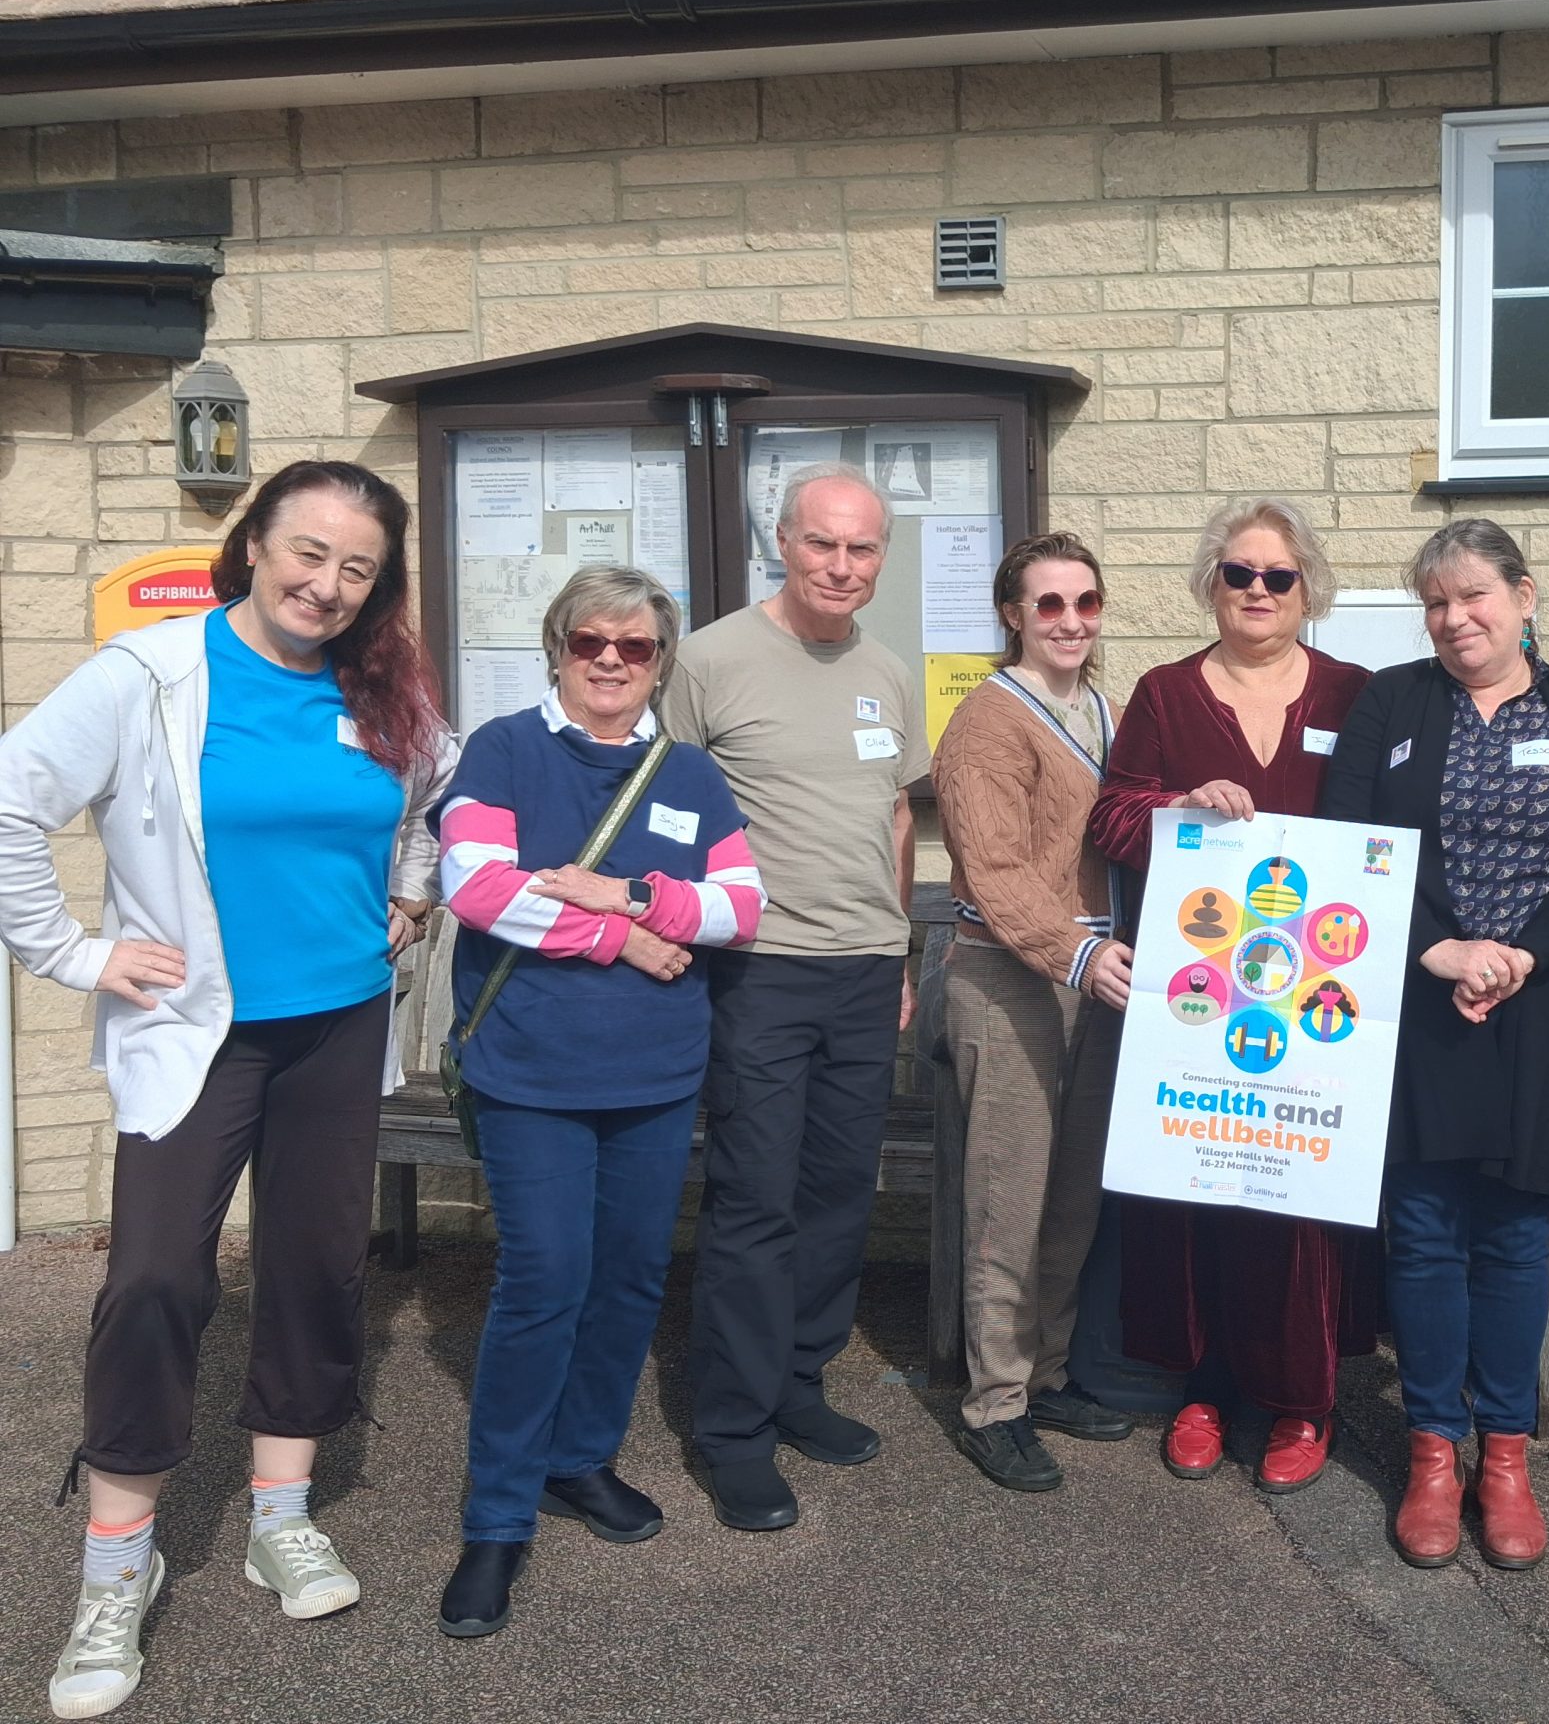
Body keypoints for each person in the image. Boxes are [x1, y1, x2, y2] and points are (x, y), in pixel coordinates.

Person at [0, 461, 451, 1720]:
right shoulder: (149, 676)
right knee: (155, 1277)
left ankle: (281, 1517)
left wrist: (408, 889)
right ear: (253, 543)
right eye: (307, 553)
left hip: (337, 1026)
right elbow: (7, 801)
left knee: (315, 1269)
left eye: (357, 569)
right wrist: (77, 954)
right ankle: (114, 1568)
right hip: (197, 1032)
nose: (327, 584)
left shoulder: (383, 690)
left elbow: (426, 795)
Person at [433, 568, 765, 1636]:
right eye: (591, 642)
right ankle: (496, 1519)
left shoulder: (692, 775)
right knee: (544, 1279)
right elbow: (478, 888)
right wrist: (627, 940)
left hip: (656, 1077)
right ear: (557, 647)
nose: (613, 661)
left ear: (662, 662)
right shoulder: (502, 750)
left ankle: (581, 1459)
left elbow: (741, 907)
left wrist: (629, 894)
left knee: (626, 1280)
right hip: (532, 1073)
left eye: (636, 646)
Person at [1317, 519, 1549, 1572]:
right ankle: (1430, 1452)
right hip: (1418, 1007)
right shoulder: (1394, 701)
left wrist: (1519, 958)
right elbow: (1348, 843)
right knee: (1418, 1233)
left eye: (1474, 597)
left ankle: (1501, 1458)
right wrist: (1437, 952)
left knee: (1513, 1239)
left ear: (1523, 596)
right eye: (1436, 602)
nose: (1455, 619)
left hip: (1540, 1011)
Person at [1087, 497, 1372, 1494]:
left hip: (1319, 992)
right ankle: (1202, 1390)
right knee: (1197, 1188)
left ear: (1306, 589)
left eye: (1276, 576)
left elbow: (1385, 833)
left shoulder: (1354, 693)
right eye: (1238, 573)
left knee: (1299, 1208)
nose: (1256, 591)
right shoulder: (1165, 694)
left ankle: (1302, 1400)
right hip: (1200, 992)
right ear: (1212, 582)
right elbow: (1112, 820)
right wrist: (1175, 809)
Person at [660, 463, 923, 1532]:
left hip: (866, 970)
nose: (842, 566)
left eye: (862, 550)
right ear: (782, 540)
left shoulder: (889, 672)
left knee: (835, 1198)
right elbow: (662, 813)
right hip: (760, 971)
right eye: (823, 544)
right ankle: (731, 1428)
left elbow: (896, 820)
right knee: (755, 1202)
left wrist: (901, 952)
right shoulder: (711, 660)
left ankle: (799, 1384)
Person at [931, 532, 1136, 1491]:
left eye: (1084, 603)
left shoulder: (1100, 706)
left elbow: (1128, 820)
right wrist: (1078, 953)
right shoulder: (987, 724)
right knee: (1007, 1199)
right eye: (1048, 605)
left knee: (1071, 1195)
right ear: (1013, 613)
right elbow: (996, 875)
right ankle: (993, 1402)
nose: (1069, 622)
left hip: (1095, 974)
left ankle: (1046, 1373)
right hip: (1015, 974)